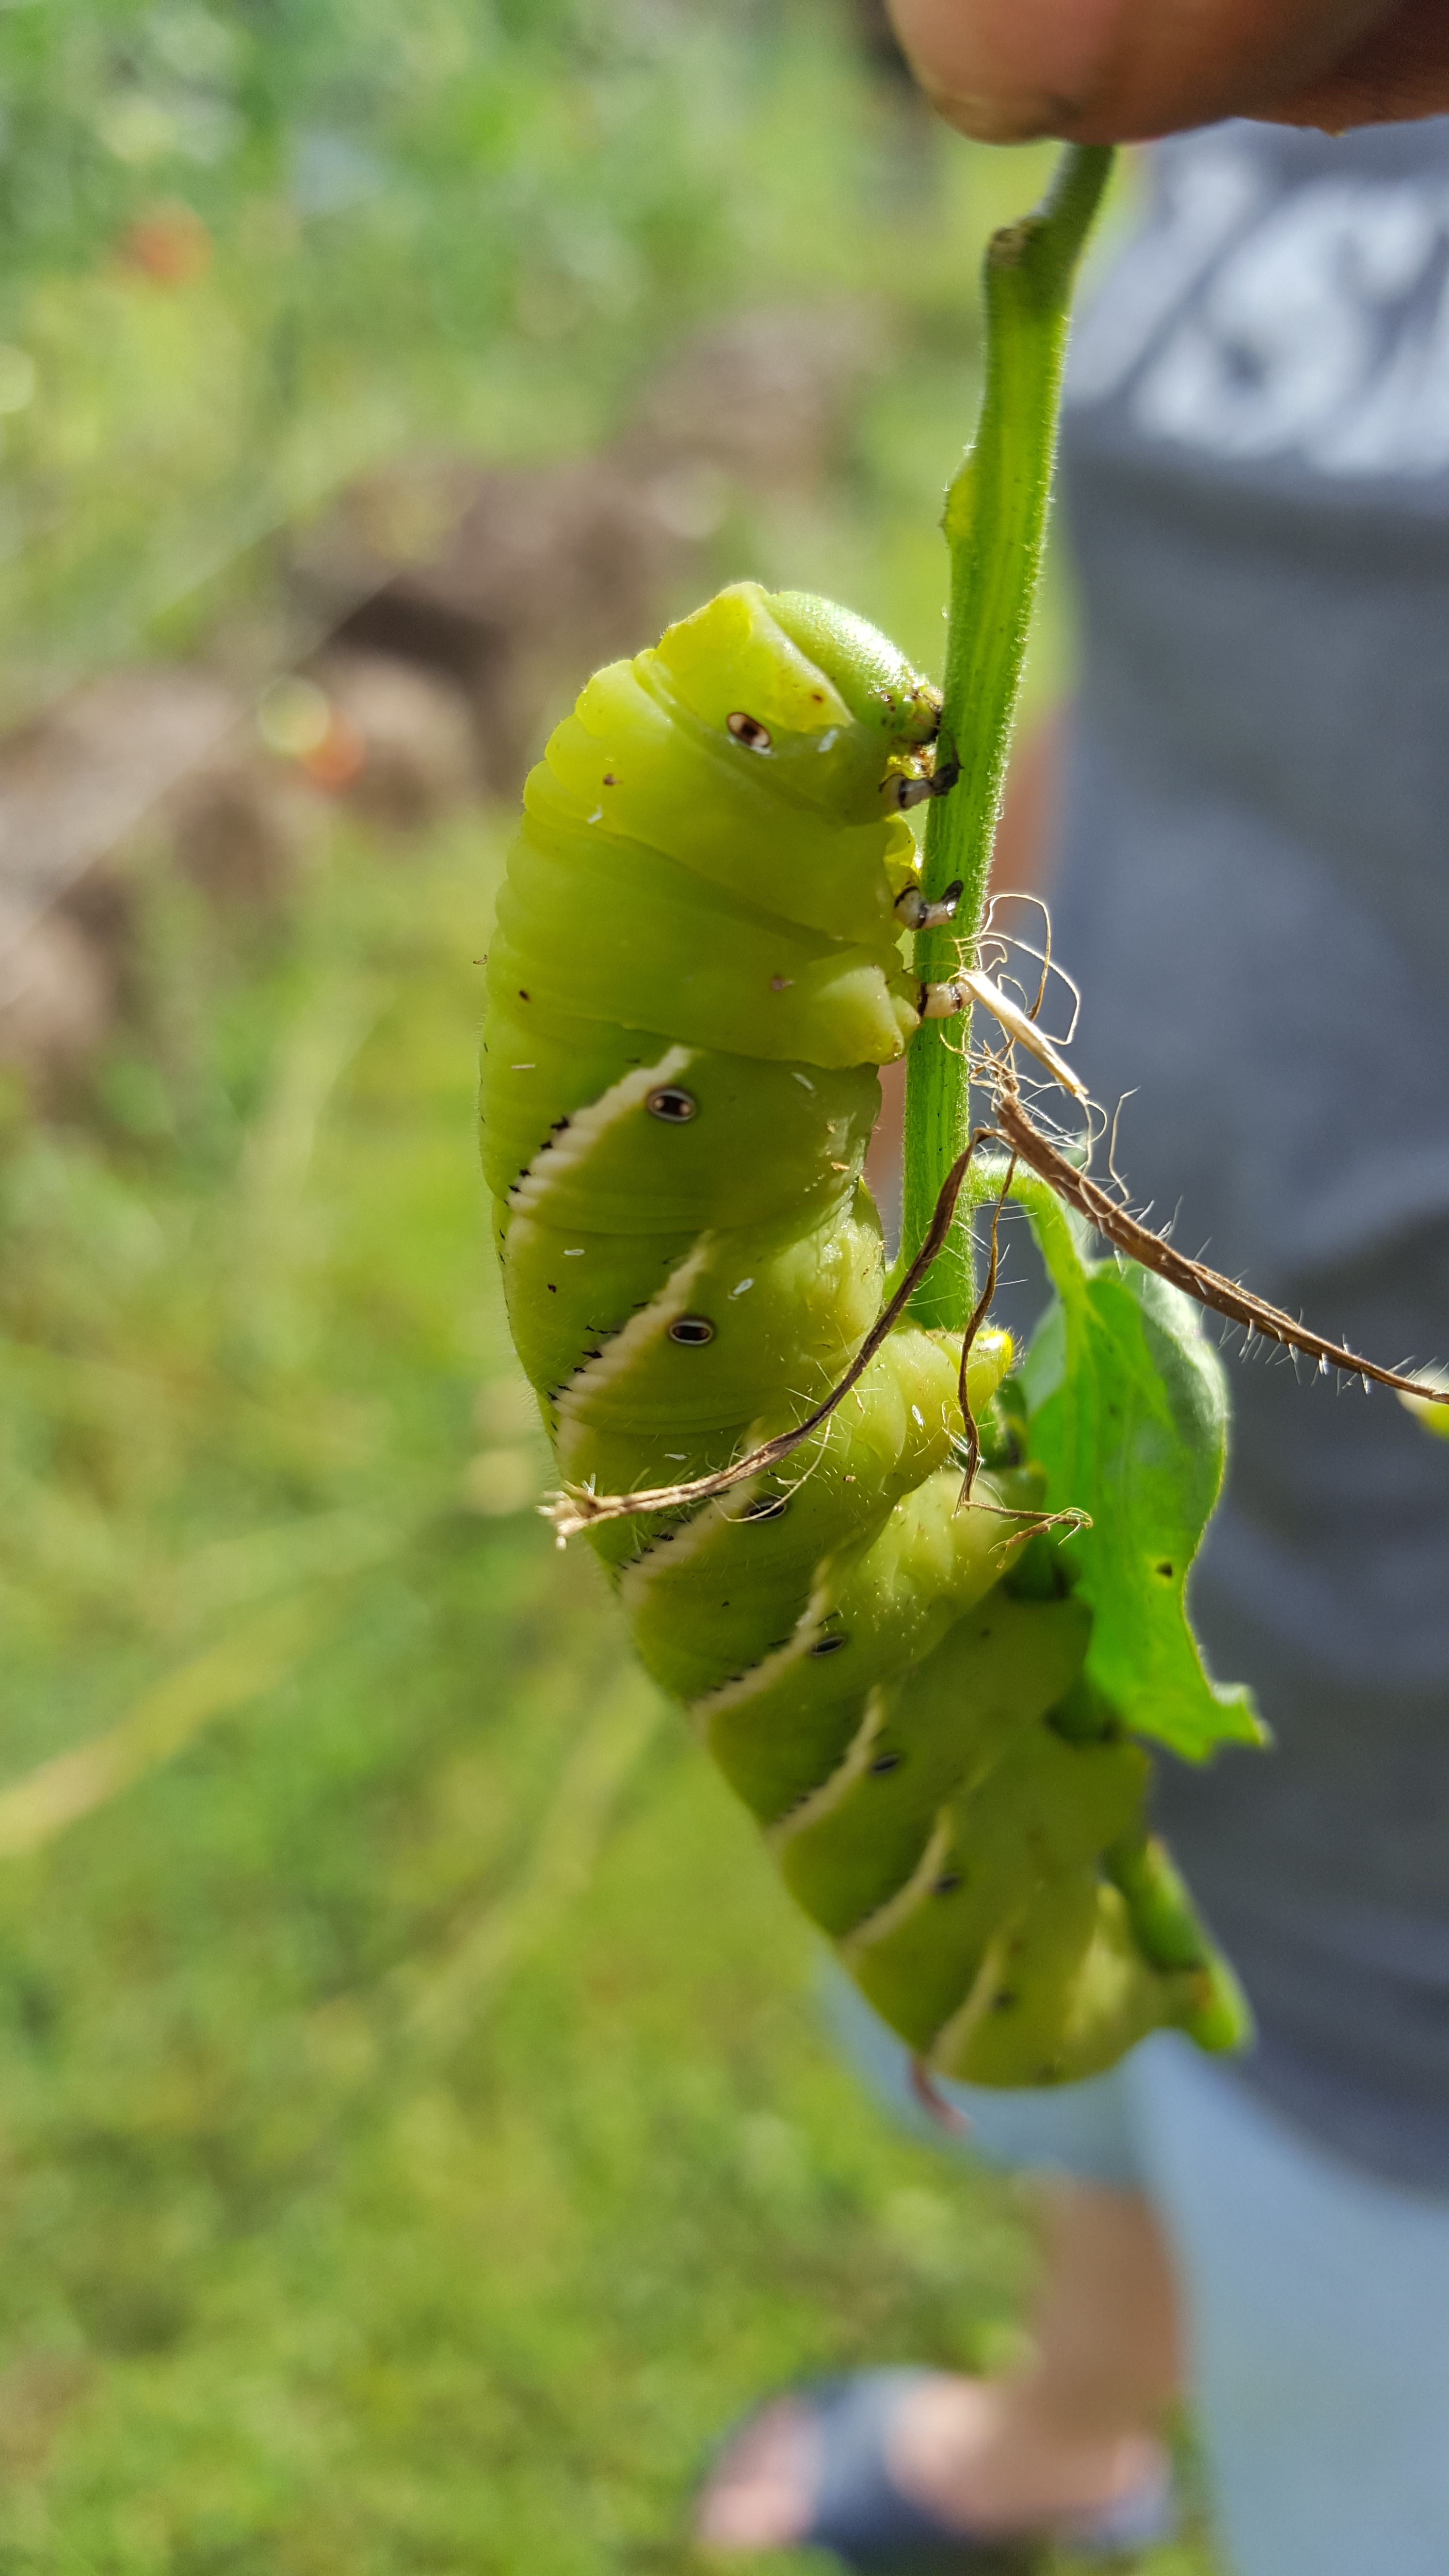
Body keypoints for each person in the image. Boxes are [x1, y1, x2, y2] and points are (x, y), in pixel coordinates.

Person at [697, 9, 1449, 2572]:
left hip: (1417, 1806)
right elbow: (1166, 658)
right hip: (1036, 1456)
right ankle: (1071, 2433)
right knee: (1054, 1982)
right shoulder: (1214, 150)